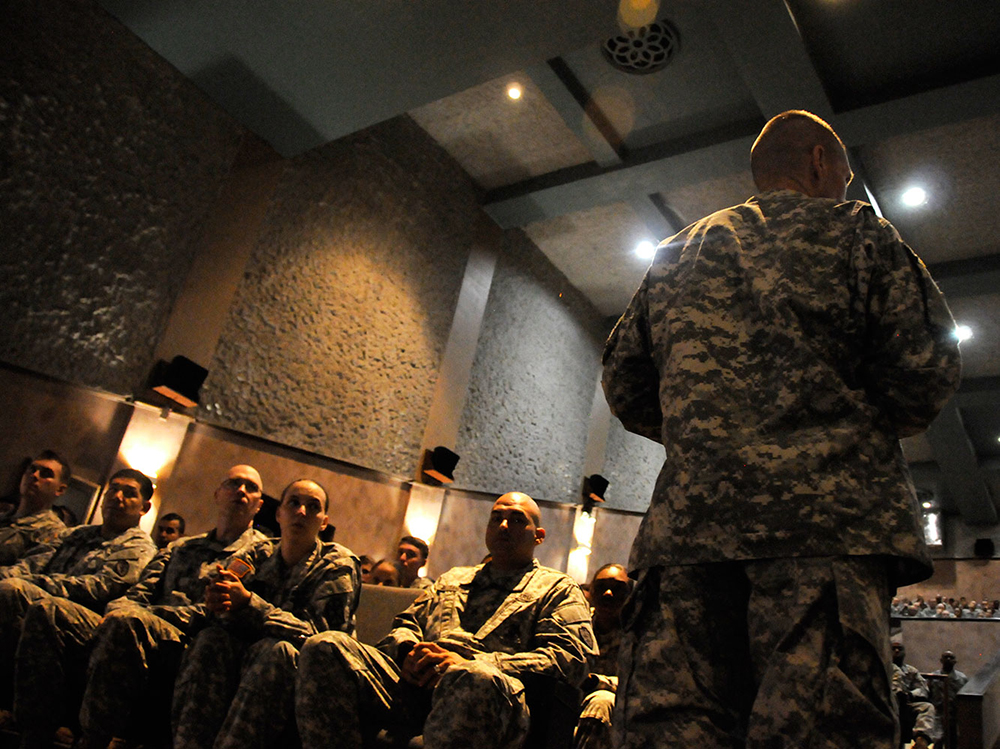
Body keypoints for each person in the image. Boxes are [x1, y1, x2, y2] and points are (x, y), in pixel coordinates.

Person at [601, 110, 962, 748]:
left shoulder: (674, 254)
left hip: (687, 543)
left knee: (671, 732)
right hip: (822, 544)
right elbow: (924, 373)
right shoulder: (860, 236)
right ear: (821, 162)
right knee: (819, 732)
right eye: (847, 175)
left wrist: (710, 436)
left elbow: (626, 383)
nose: (847, 189)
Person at [295, 491, 596, 749]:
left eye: (517, 520)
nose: (503, 525)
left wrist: (471, 662)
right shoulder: (453, 578)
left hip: (493, 699)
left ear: (538, 536)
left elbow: (572, 658)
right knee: (326, 646)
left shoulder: (557, 588)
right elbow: (406, 623)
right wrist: (409, 652)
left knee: (474, 677)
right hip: (416, 686)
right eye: (496, 518)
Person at [70, 465, 266, 749]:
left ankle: (95, 739)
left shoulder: (261, 554)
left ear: (259, 505)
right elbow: (138, 592)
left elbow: (215, 612)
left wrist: (143, 615)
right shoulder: (182, 547)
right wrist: (120, 609)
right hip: (146, 629)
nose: (241, 491)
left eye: (251, 488)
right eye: (234, 484)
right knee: (117, 619)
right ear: (217, 494)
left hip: (198, 641)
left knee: (128, 622)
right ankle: (92, 737)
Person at [172, 479, 361, 749]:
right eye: (293, 503)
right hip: (248, 655)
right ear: (278, 513)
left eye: (313, 507)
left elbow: (320, 637)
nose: (302, 512)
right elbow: (225, 591)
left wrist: (249, 603)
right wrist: (220, 598)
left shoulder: (338, 563)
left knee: (278, 651)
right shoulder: (258, 553)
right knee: (211, 639)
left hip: (310, 672)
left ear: (323, 522)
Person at [0, 469, 157, 723]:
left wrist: (35, 585)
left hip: (88, 621)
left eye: (129, 494)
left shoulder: (138, 546)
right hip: (42, 602)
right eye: (113, 490)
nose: (117, 497)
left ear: (144, 507)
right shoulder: (75, 534)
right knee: (10, 587)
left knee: (16, 593)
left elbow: (101, 587)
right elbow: (31, 564)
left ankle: (29, 716)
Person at [575, 563, 630, 749]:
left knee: (602, 701)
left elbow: (637, 684)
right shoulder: (575, 628)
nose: (608, 594)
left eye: (617, 589)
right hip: (571, 704)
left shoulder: (638, 634)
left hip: (616, 714)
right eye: (601, 587)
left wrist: (597, 682)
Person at [0, 451, 71, 566]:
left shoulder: (54, 533)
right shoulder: (5, 516)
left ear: (60, 490)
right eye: (32, 469)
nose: (34, 475)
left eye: (46, 473)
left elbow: (23, 573)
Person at [892, 641, 935, 749]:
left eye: (900, 649)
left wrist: (910, 695)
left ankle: (921, 740)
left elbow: (923, 688)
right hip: (889, 704)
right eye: (893, 649)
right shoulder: (883, 668)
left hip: (906, 706)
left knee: (927, 707)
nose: (897, 651)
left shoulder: (912, 671)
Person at [930, 650, 968, 748]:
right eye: (946, 657)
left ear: (955, 661)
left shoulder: (961, 678)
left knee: (953, 741)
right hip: (938, 713)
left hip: (954, 715)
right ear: (941, 660)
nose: (948, 659)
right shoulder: (933, 677)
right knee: (937, 740)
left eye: (951, 657)